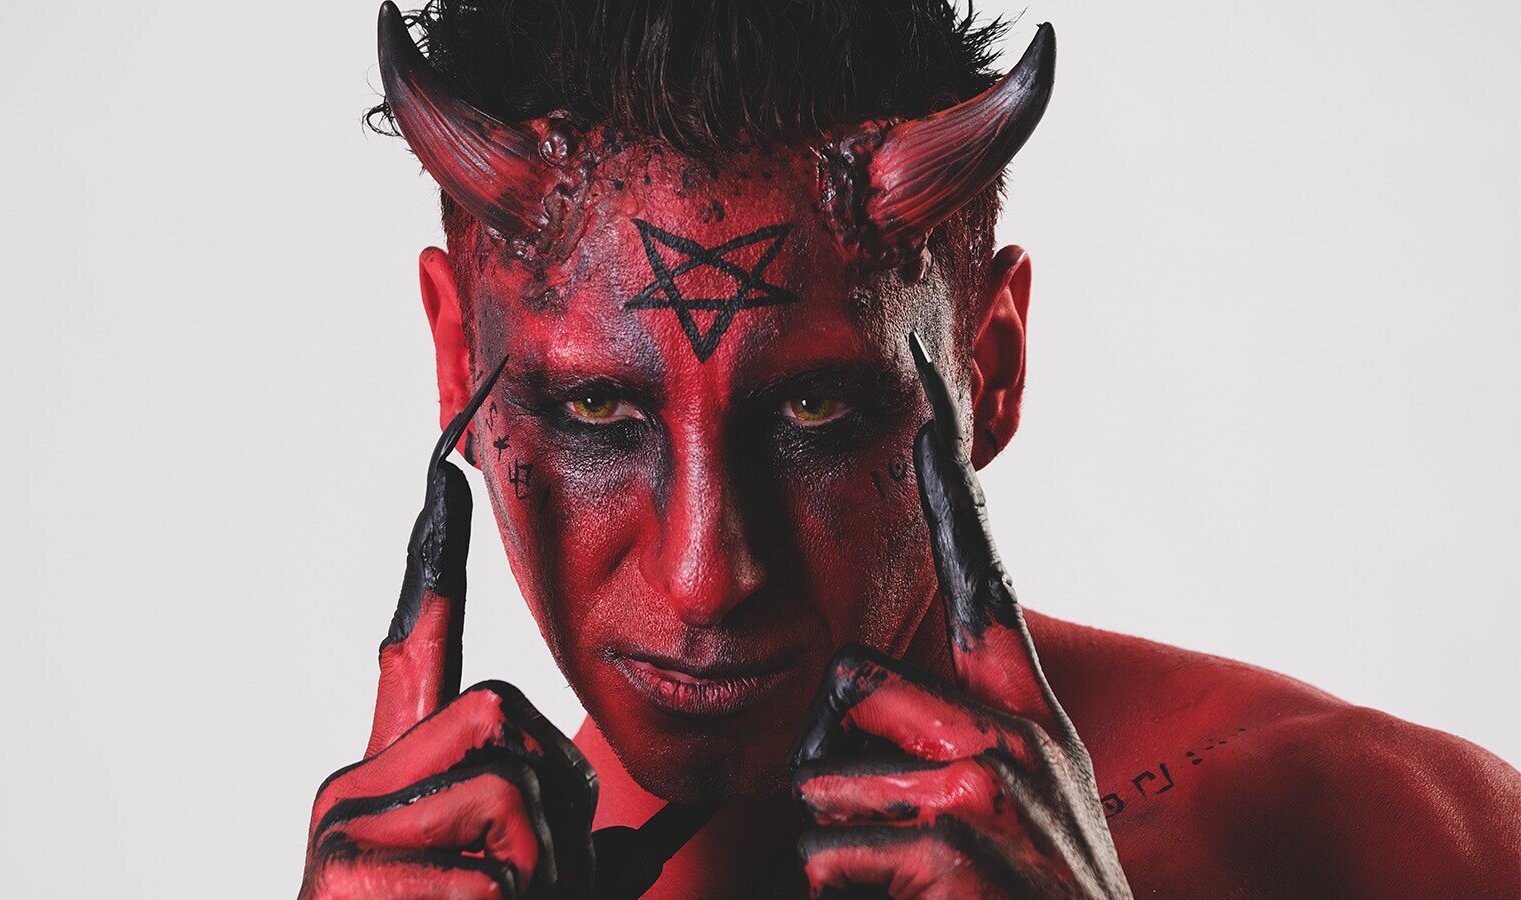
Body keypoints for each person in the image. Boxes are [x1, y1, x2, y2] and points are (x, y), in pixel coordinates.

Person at [301, 2, 1521, 896]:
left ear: (987, 364)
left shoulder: (1384, 840)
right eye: (597, 415)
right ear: (458, 360)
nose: (705, 578)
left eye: (813, 415)